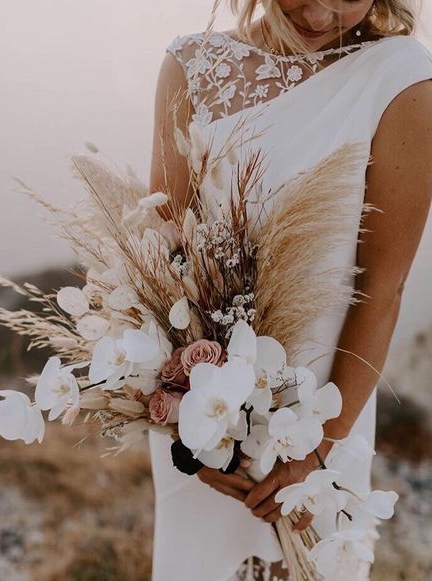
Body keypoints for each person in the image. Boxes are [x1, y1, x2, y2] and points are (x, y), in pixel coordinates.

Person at [148, 1, 432, 579]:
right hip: (202, 412)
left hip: (323, 409)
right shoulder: (190, 63)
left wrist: (319, 451)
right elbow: (160, 258)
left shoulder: (401, 78)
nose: (324, 13)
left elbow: (383, 288)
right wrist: (185, 430)